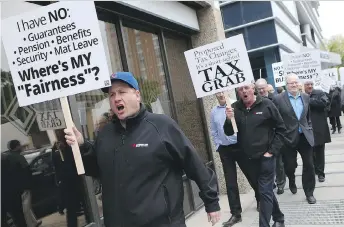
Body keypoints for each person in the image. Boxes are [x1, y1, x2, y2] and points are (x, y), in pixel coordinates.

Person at [64, 72, 221, 227]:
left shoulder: (162, 126)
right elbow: (98, 170)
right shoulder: (105, 134)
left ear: (137, 95)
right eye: (111, 95)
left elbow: (193, 163)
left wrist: (211, 202)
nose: (116, 98)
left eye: (122, 92)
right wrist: (82, 145)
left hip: (163, 222)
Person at [224, 83, 286, 227]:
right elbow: (228, 132)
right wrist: (228, 119)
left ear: (253, 89)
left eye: (246, 88)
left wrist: (271, 152)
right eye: (240, 89)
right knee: (263, 190)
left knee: (263, 192)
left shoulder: (266, 104)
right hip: (247, 159)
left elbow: (282, 129)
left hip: (266, 158)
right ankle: (279, 218)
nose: (244, 91)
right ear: (238, 92)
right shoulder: (234, 108)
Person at [211, 92, 259, 227]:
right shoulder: (214, 111)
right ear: (215, 94)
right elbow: (214, 130)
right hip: (225, 150)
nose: (220, 94)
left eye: (222, 91)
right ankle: (236, 214)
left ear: (226, 92)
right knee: (230, 182)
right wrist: (218, 145)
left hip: (240, 146)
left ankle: (260, 198)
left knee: (251, 175)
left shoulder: (237, 106)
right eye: (218, 92)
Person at [273, 74, 316, 204]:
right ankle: (291, 179)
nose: (294, 85)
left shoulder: (305, 97)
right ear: (286, 84)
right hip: (288, 138)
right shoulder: (278, 99)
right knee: (290, 166)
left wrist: (309, 128)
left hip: (304, 136)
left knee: (309, 164)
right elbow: (275, 119)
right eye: (291, 83)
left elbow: (307, 116)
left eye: (296, 82)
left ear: (299, 84)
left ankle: (309, 192)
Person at [255, 79, 285, 195]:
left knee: (279, 163)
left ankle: (280, 184)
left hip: (276, 136)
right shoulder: (255, 101)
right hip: (262, 138)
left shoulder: (276, 99)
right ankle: (270, 183)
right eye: (259, 88)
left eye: (263, 87)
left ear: (267, 87)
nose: (261, 90)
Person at [304, 81, 331, 183]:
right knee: (310, 152)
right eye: (307, 84)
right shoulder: (299, 96)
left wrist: (309, 100)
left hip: (319, 128)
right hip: (306, 129)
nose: (310, 86)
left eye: (311, 84)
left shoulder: (319, 93)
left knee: (319, 151)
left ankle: (320, 173)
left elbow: (324, 103)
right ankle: (314, 169)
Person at [1, 140, 32, 227]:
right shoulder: (8, 158)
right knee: (18, 216)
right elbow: (24, 172)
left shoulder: (7, 157)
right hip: (13, 192)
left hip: (7, 194)